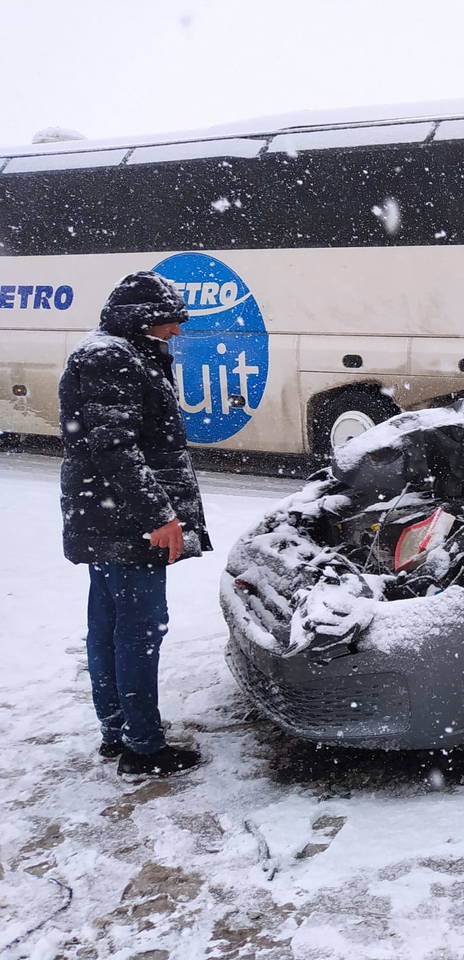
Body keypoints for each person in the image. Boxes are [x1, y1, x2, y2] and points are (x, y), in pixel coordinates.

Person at [59, 271, 211, 779]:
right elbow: (116, 447)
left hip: (106, 514)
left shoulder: (115, 351)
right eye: (169, 320)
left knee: (108, 628)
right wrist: (160, 516)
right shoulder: (113, 357)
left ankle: (119, 731)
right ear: (139, 318)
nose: (176, 330)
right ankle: (143, 748)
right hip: (124, 521)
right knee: (138, 632)